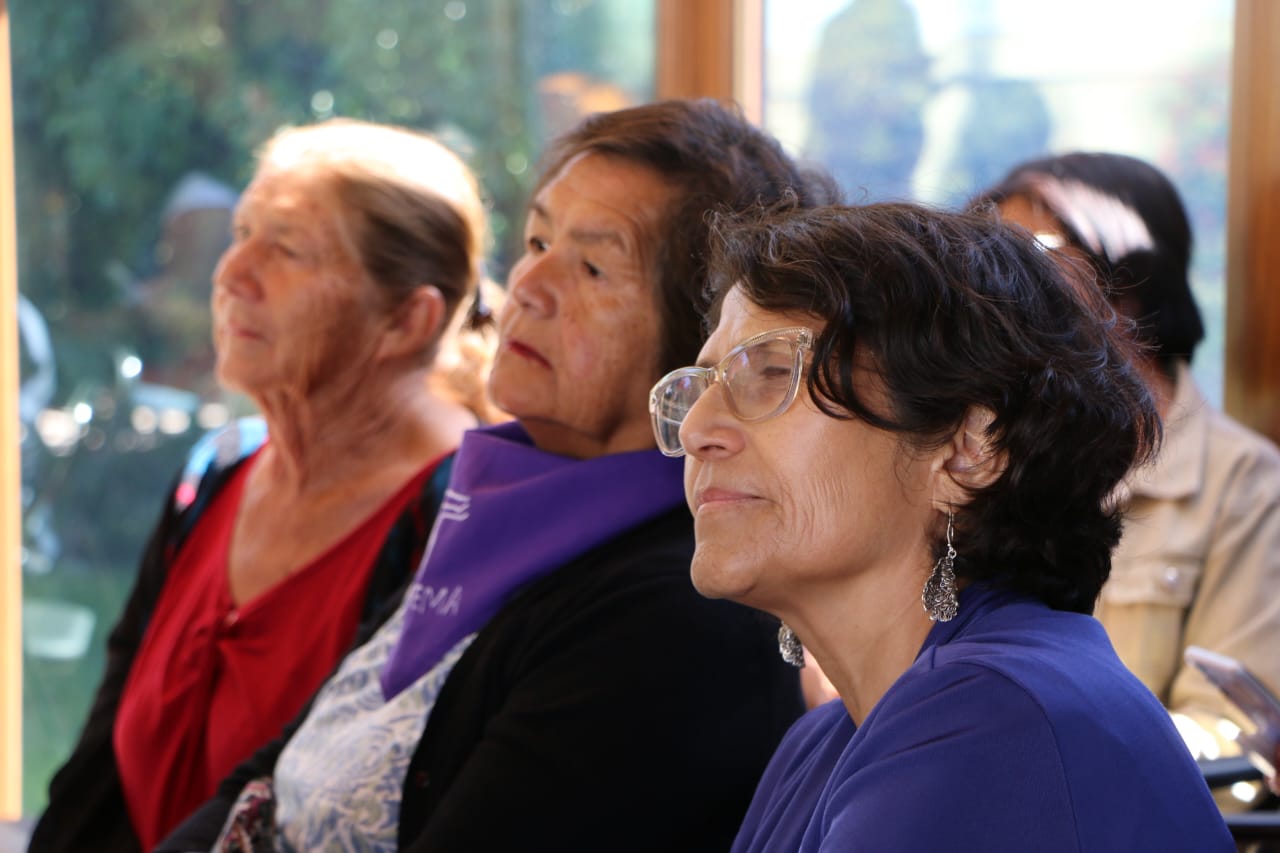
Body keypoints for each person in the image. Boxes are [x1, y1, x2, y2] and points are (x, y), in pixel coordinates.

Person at [156, 98, 834, 853]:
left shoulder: (679, 618)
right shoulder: (504, 508)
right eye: (538, 239)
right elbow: (275, 770)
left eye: (592, 267)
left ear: (701, 344)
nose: (531, 283)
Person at [649, 201, 1234, 850]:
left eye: (772, 372)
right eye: (698, 387)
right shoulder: (823, 743)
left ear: (967, 451)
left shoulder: (996, 721)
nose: (696, 429)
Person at [28, 117, 496, 853]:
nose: (230, 273)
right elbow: (94, 786)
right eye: (242, 233)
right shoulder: (217, 475)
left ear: (408, 320)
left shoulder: (459, 523)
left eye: (288, 249)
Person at [975, 152, 1280, 770]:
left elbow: (1232, 733)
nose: (999, 285)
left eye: (1035, 251)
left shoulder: (1245, 482)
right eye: (990, 255)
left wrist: (1035, 749)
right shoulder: (980, 455)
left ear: (1133, 280)